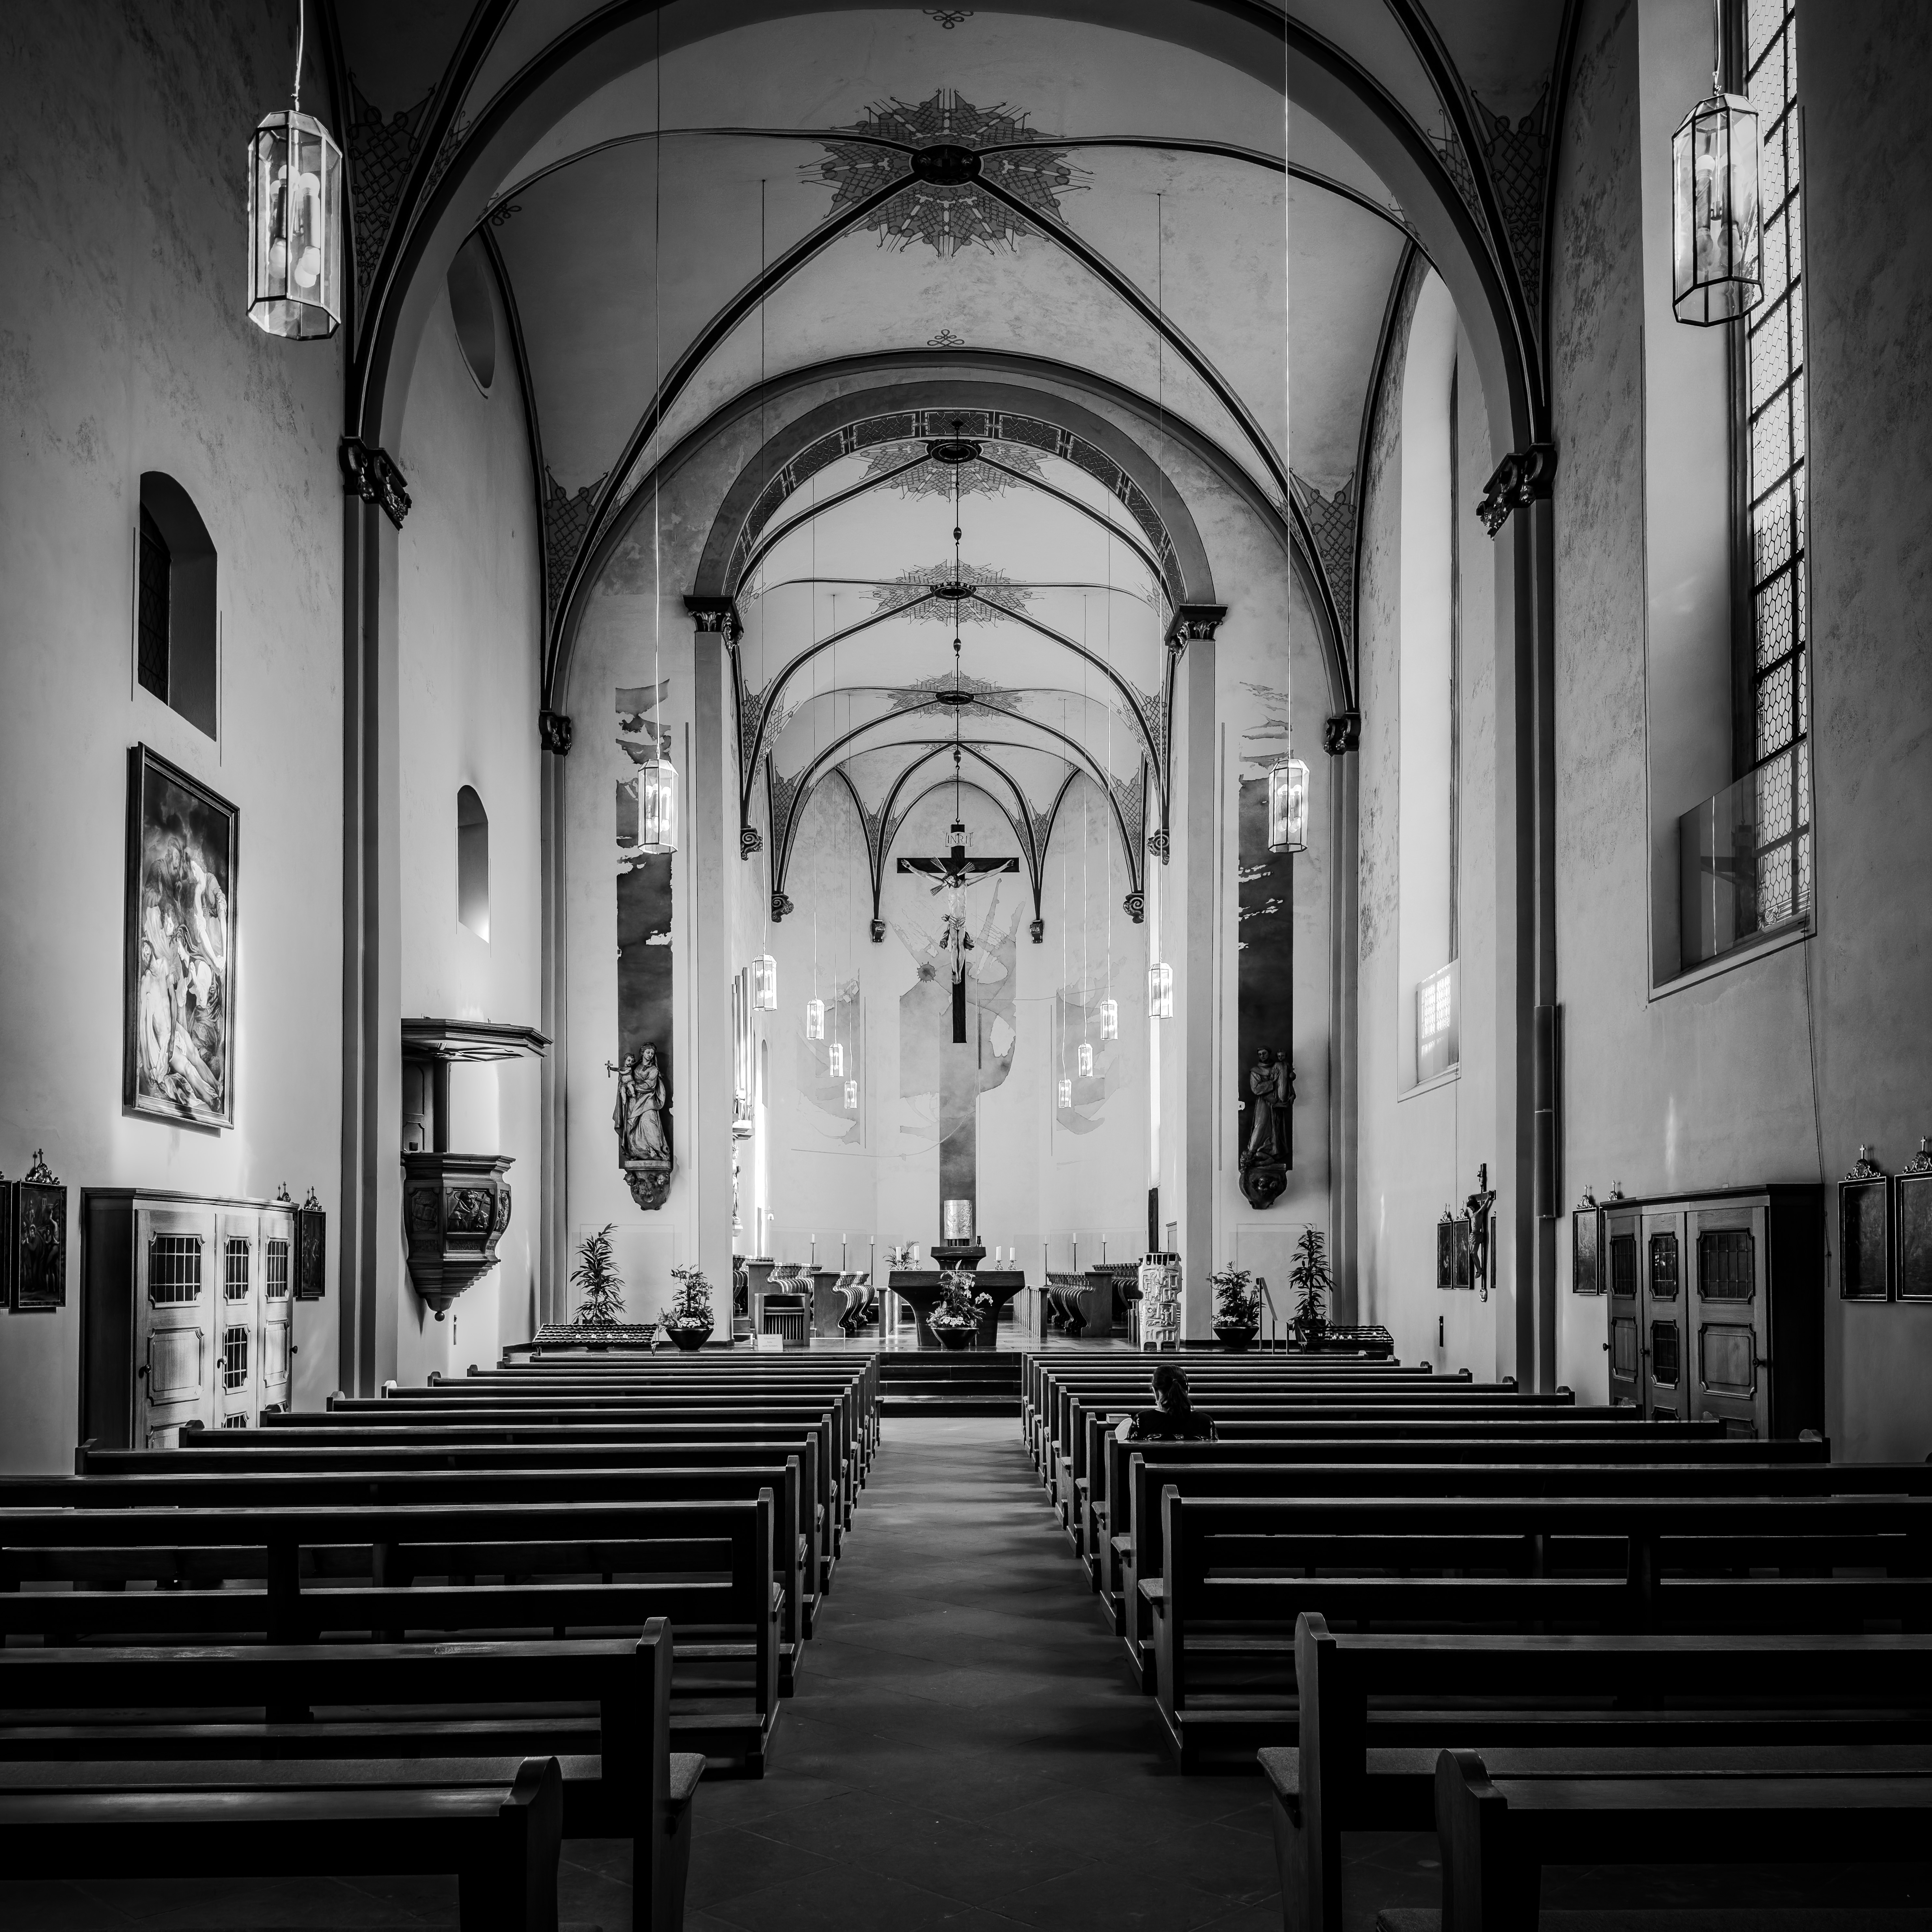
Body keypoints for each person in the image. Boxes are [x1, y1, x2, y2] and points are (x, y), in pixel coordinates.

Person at [1114, 1363, 1216, 1444]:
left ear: (1155, 1392)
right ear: (1187, 1391)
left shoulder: (1142, 1421)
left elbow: (1129, 1455)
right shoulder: (1206, 1422)